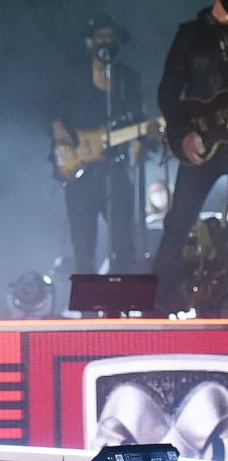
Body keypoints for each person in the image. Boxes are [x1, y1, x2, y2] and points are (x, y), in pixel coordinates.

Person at [153, 0, 228, 313]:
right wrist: (182, 134)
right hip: (202, 141)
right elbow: (168, 91)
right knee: (178, 223)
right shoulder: (191, 34)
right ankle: (157, 307)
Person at [51, 14, 143, 275]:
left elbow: (139, 118)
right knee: (83, 245)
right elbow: (44, 103)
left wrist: (144, 139)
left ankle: (121, 305)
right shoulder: (70, 72)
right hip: (80, 174)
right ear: (90, 42)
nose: (107, 41)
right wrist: (56, 125)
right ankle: (88, 308)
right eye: (102, 36)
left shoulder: (128, 79)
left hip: (116, 169)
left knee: (124, 241)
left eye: (112, 37)